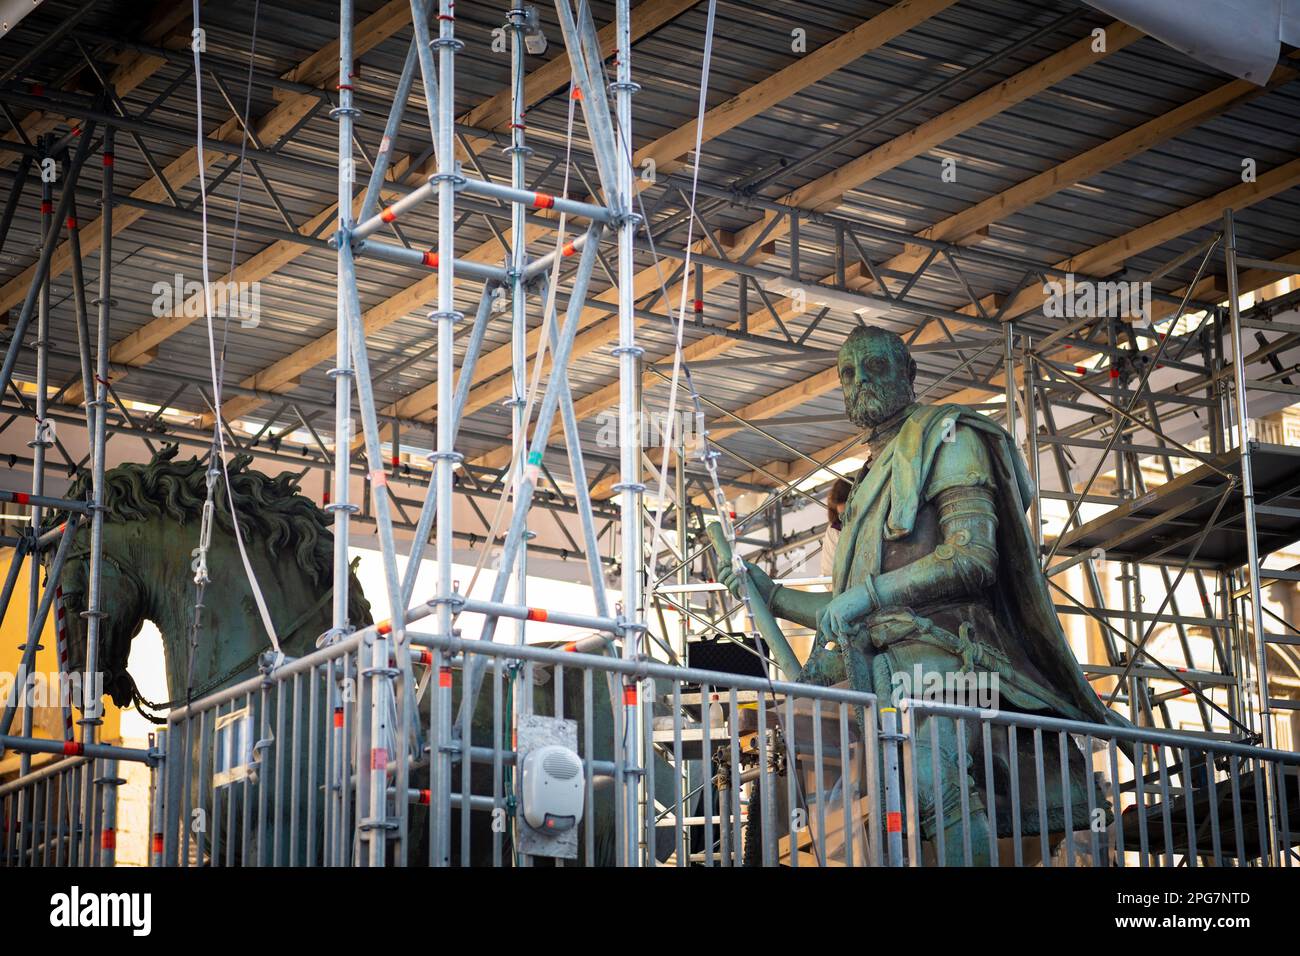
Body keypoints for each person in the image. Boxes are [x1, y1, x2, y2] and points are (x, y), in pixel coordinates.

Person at [717, 325, 1125, 864]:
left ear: (909, 374)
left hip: (955, 662)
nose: (860, 380)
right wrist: (770, 594)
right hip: (883, 678)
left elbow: (972, 557)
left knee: (933, 774)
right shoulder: (865, 480)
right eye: (848, 371)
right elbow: (845, 612)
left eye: (875, 367)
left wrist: (864, 596)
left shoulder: (949, 436)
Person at [819, 478, 852, 578]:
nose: (847, 520)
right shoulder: (834, 530)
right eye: (842, 516)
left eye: (851, 514)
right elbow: (828, 575)